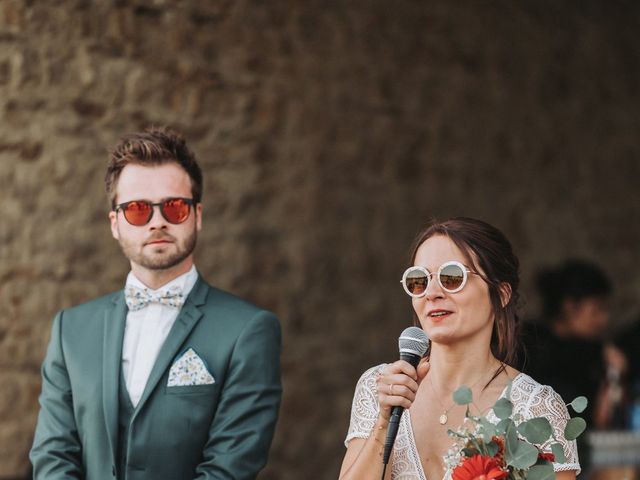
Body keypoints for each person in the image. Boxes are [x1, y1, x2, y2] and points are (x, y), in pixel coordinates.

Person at [30, 128, 282, 480]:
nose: (158, 221)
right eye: (137, 210)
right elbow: (53, 455)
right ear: (115, 224)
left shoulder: (249, 330)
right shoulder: (69, 330)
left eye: (175, 207)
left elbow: (230, 468)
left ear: (197, 215)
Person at [339, 217, 580, 480]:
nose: (431, 293)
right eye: (419, 280)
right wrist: (383, 424)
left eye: (451, 277)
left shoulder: (537, 408)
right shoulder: (380, 387)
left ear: (500, 294)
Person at [521, 259, 627, 431]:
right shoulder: (528, 345)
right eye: (596, 310)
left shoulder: (596, 352)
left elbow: (608, 417)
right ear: (569, 306)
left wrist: (614, 376)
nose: (603, 320)